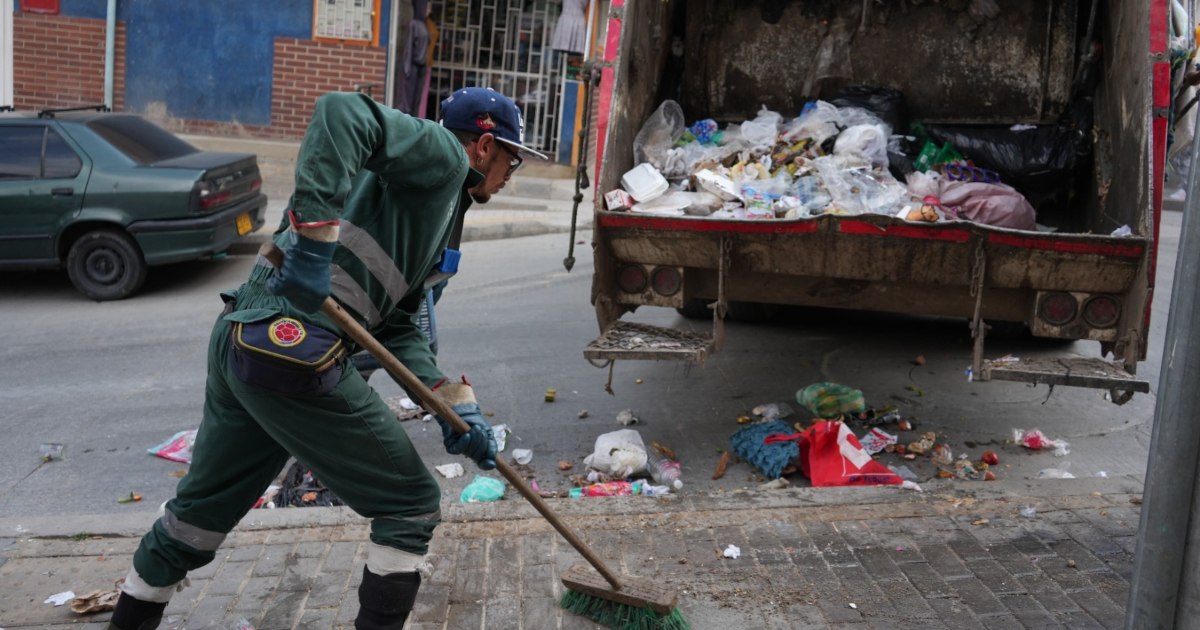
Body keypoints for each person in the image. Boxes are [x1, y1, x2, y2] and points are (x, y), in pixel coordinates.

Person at [106, 87, 546, 630]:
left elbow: (401, 324)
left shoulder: (438, 207)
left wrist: (452, 405)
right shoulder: (443, 156)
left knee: (196, 520)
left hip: (243, 340)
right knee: (410, 502)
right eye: (512, 160)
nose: (511, 174)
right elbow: (341, 112)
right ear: (483, 146)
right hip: (290, 347)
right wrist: (313, 244)